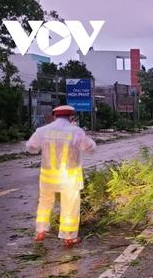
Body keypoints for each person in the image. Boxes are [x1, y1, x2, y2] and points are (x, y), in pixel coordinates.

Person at [26, 105, 96, 247]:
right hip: (69, 178)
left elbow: (31, 147)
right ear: (71, 118)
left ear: (54, 116)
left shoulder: (43, 131)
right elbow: (90, 148)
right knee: (69, 205)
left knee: (45, 202)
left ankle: (40, 230)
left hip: (48, 177)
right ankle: (68, 237)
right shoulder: (75, 131)